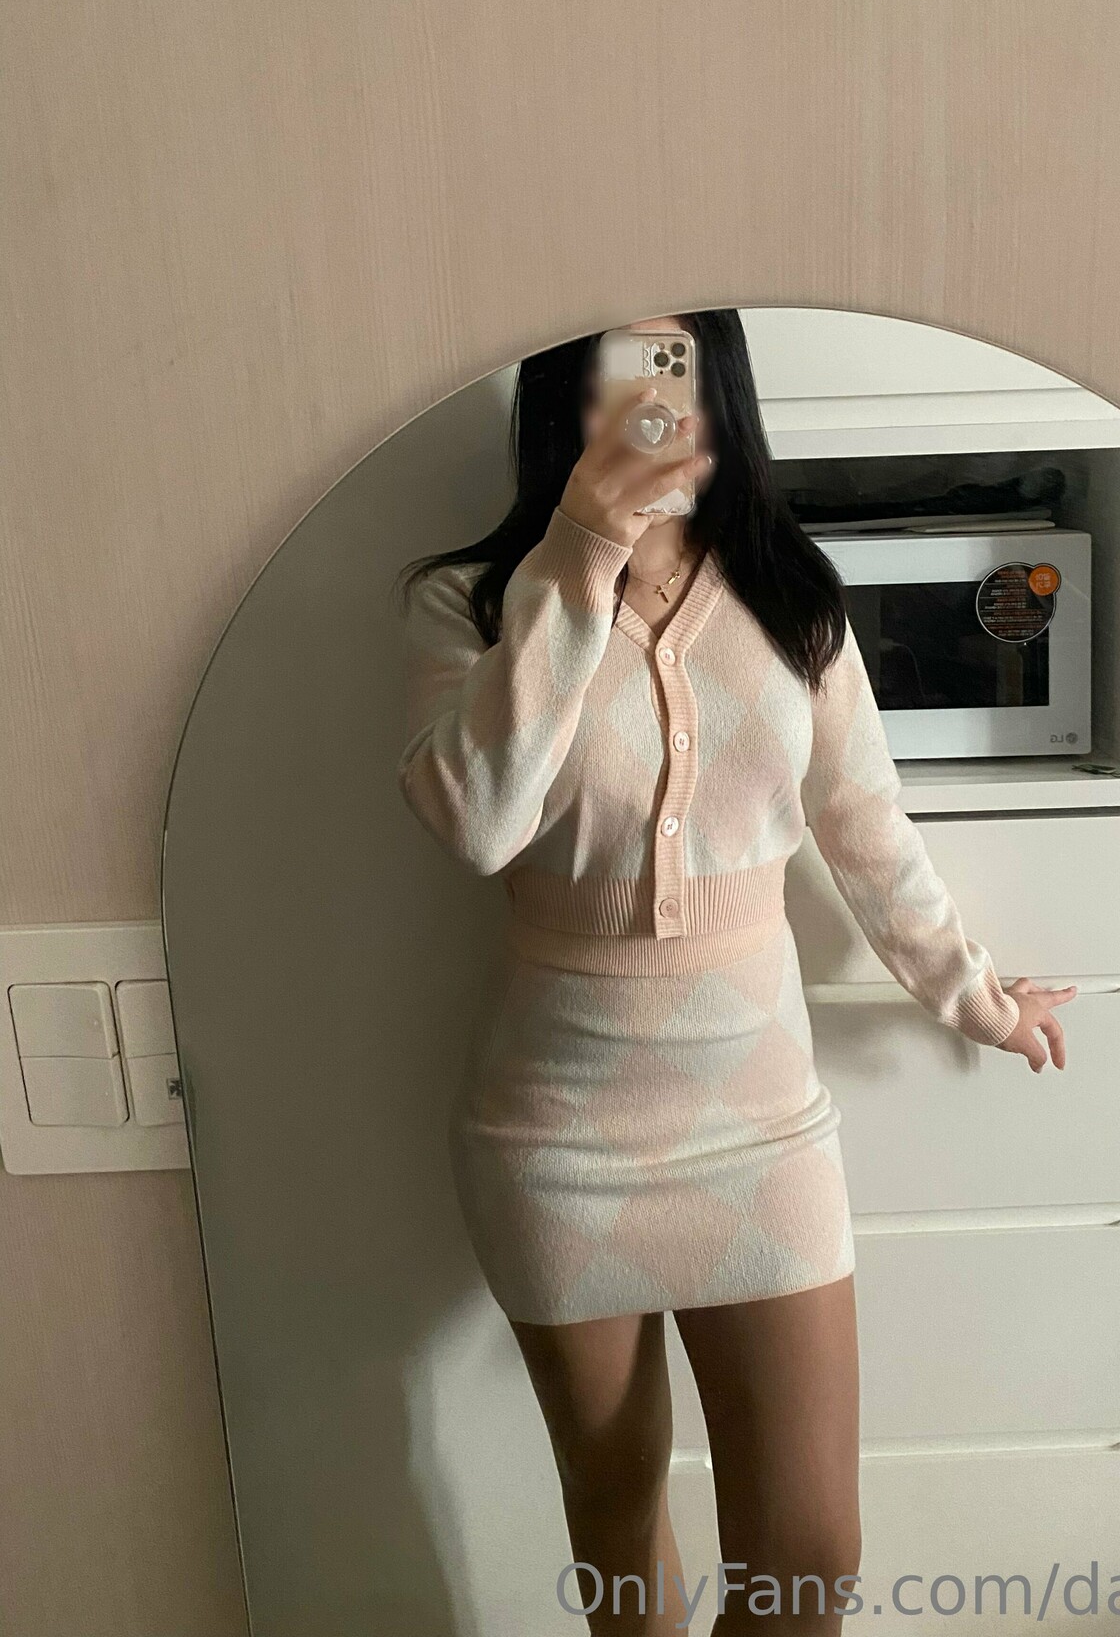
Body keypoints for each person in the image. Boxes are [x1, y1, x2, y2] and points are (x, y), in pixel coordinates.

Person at [394, 310, 1076, 1636]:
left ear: (723, 391)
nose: (655, 400)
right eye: (622, 368)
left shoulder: (789, 591)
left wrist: (977, 995)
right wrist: (581, 552)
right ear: (565, 391)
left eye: (679, 366)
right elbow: (478, 824)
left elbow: (864, 824)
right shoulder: (469, 602)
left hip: (763, 1127)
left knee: (809, 1561)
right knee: (617, 1526)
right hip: (557, 1137)